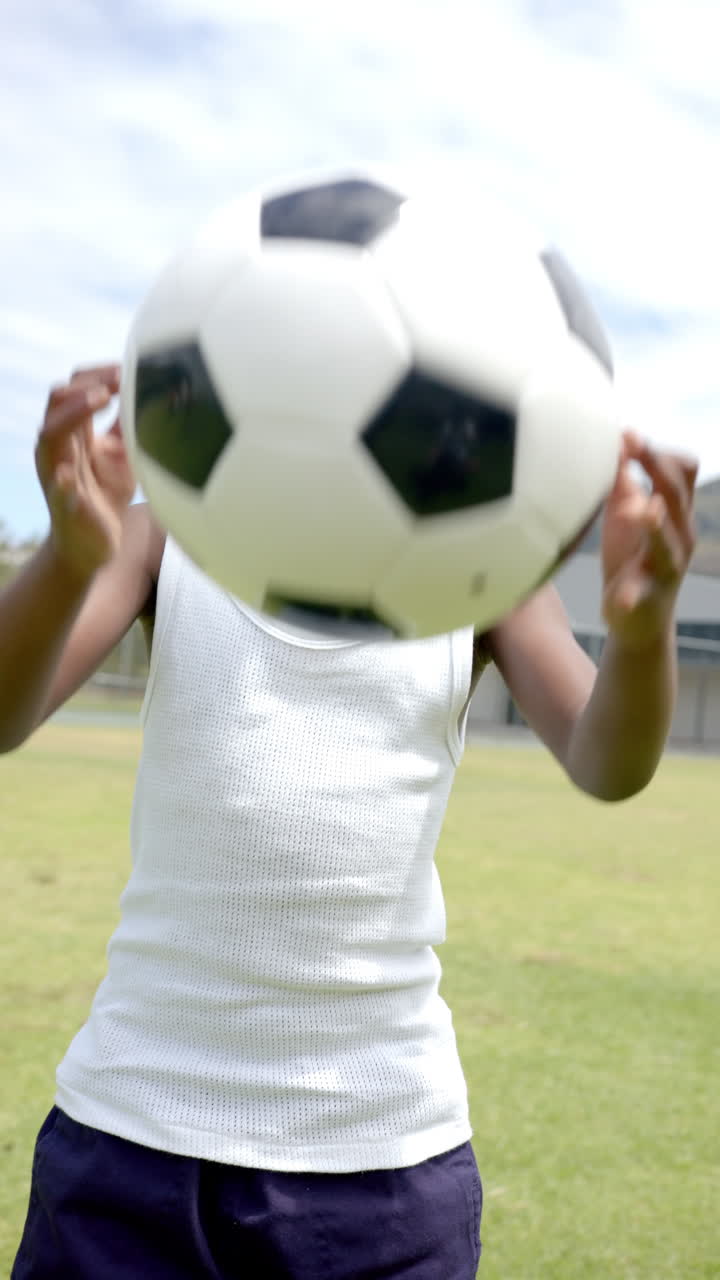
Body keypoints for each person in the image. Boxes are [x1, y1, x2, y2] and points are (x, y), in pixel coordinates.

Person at [5, 363, 697, 1280]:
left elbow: (608, 761)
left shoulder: (479, 570)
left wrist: (644, 638)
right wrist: (68, 556)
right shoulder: (171, 531)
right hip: (132, 1130)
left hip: (381, 1160)